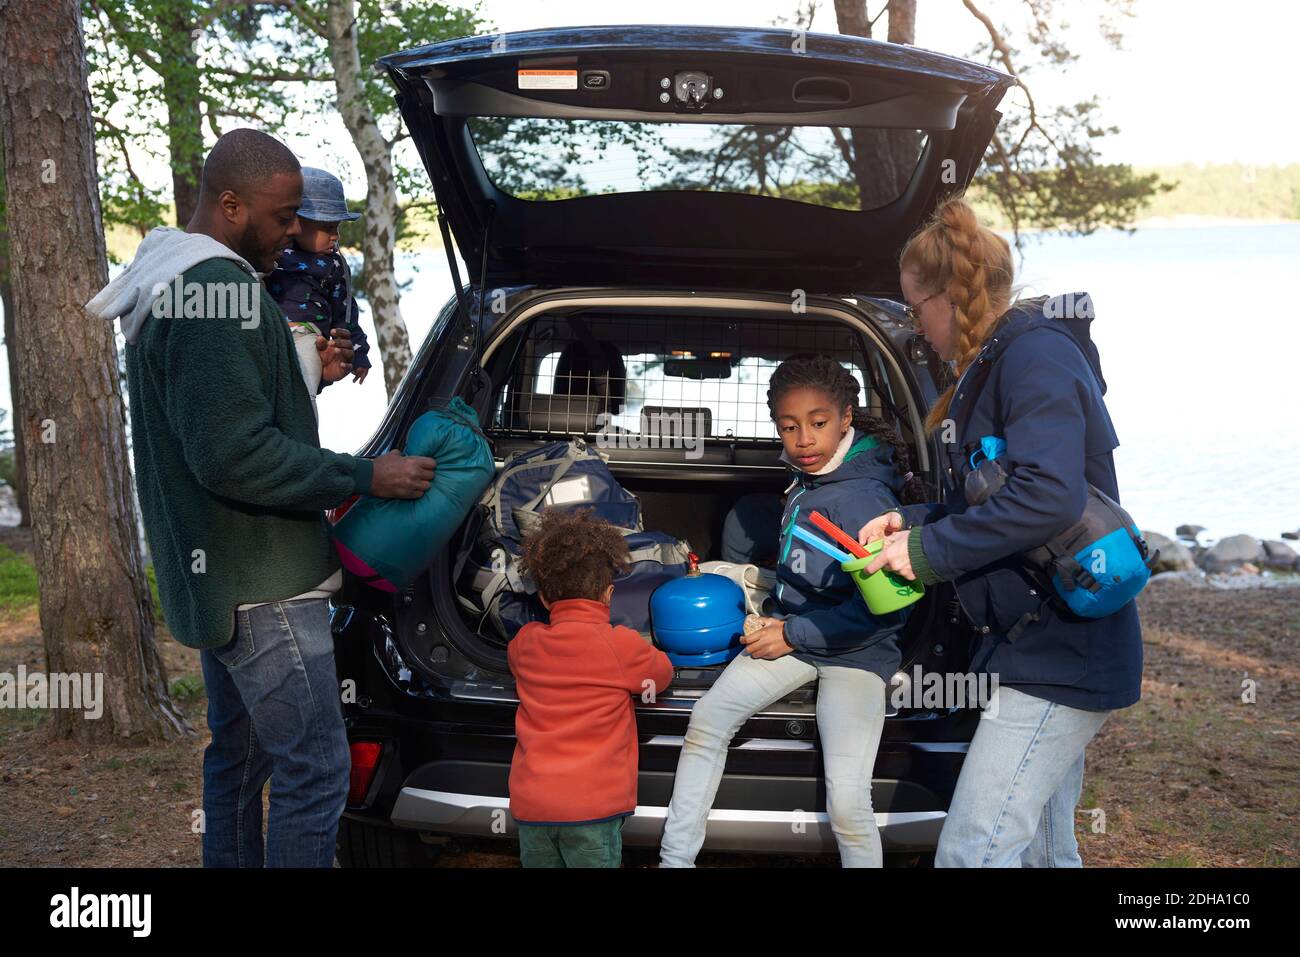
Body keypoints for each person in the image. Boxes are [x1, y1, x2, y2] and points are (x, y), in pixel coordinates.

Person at [86, 128, 436, 868]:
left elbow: (223, 409)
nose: (293, 237)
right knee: (315, 773)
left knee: (239, 763)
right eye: (282, 218)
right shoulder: (215, 292)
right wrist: (364, 476)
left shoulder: (180, 280)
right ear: (232, 204)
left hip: (223, 577)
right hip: (262, 583)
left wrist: (304, 362)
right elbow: (235, 455)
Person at [857, 194, 1143, 867]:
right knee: (1044, 852)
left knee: (972, 850)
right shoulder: (995, 363)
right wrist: (914, 520)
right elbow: (989, 499)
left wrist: (925, 553)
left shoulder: (1034, 356)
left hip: (1062, 651)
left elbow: (1047, 496)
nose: (915, 326)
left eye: (913, 307)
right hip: (1033, 647)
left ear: (949, 296)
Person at [659, 354, 930, 867]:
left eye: (819, 423)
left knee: (849, 802)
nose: (803, 439)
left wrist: (790, 634)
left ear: (847, 418)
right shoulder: (811, 480)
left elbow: (885, 616)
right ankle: (675, 861)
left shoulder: (863, 500)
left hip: (858, 654)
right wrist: (776, 616)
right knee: (707, 721)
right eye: (789, 427)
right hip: (797, 631)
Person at [508, 508, 675, 867]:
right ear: (608, 594)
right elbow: (661, 674)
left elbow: (517, 662)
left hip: (533, 806)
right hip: (591, 809)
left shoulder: (525, 642)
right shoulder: (620, 645)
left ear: (544, 599)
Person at [265, 167, 372, 423]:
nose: (334, 237)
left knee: (302, 402)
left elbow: (345, 311)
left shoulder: (334, 267)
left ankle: (302, 433)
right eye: (326, 228)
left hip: (314, 341)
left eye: (337, 228)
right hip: (279, 336)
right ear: (295, 223)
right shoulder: (274, 256)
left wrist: (359, 352)